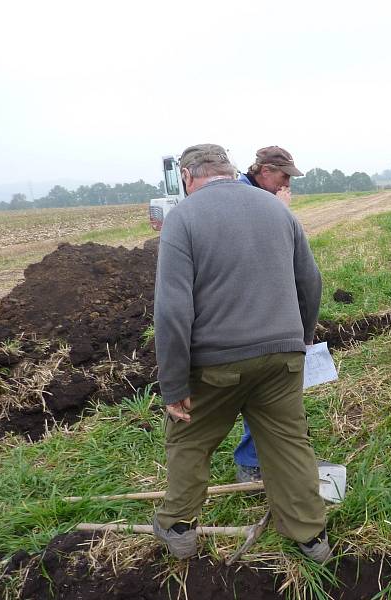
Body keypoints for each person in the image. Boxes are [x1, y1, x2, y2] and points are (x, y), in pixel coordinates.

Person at [152, 143, 331, 562]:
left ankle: (178, 529)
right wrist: (301, 341)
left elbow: (172, 310)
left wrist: (174, 384)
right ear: (229, 171)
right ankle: (311, 538)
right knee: (289, 444)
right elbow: (312, 282)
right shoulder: (278, 210)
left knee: (189, 439)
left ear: (187, 176)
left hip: (216, 363)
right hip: (282, 356)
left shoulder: (183, 219)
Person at [233, 146, 304, 485]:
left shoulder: (253, 194)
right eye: (284, 176)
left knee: (268, 391)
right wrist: (279, 211)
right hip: (251, 310)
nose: (287, 182)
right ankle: (251, 464)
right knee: (259, 388)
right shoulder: (247, 198)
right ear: (264, 171)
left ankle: (266, 458)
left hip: (262, 305)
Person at [238, 145, 303, 207]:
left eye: (289, 178)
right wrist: (280, 207)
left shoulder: (258, 194)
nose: (287, 184)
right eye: (284, 177)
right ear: (265, 171)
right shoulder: (241, 195)